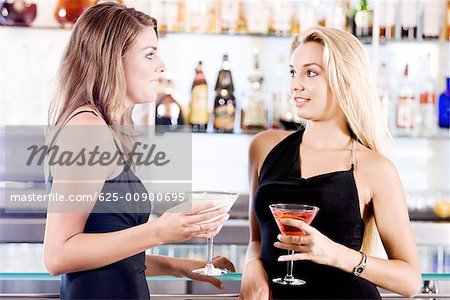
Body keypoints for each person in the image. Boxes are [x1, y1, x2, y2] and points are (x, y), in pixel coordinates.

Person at [43, 3, 234, 299]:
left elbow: (110, 254)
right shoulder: (88, 130)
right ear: (111, 60)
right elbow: (58, 255)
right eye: (149, 54)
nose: (161, 65)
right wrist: (160, 230)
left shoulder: (102, 129)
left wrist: (182, 267)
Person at [239, 26, 421, 299]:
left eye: (310, 72)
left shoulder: (374, 168)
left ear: (345, 81)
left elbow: (410, 281)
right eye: (293, 71)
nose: (295, 84)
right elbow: (257, 238)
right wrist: (251, 267)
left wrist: (336, 254)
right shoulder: (264, 147)